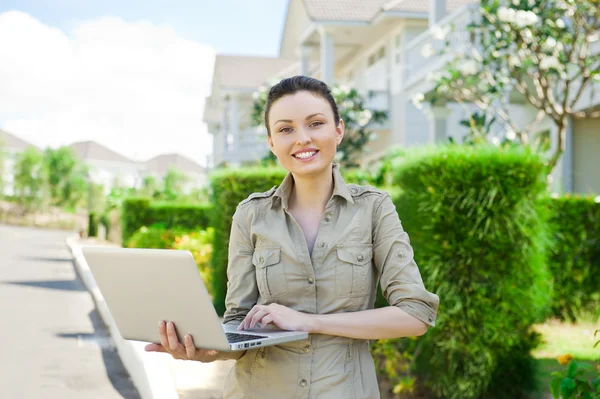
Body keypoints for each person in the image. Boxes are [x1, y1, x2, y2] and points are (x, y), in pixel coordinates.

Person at [145, 76, 440, 398]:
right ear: (272, 142)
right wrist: (206, 350)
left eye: (315, 123)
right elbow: (240, 324)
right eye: (286, 129)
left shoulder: (374, 208)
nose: (302, 138)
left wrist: (308, 321)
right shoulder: (251, 214)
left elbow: (414, 315)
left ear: (338, 130)